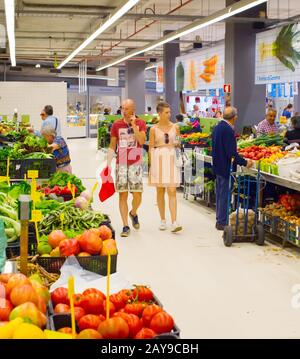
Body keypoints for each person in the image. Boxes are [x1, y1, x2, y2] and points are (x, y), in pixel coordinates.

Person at [107, 99, 147, 237]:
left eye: (127, 108)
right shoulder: (116, 125)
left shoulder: (141, 123)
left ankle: (133, 212)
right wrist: (108, 164)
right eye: (122, 108)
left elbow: (141, 141)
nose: (124, 110)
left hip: (135, 161)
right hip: (121, 162)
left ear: (133, 109)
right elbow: (112, 145)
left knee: (137, 194)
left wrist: (134, 125)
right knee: (122, 194)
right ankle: (125, 225)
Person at [212, 107, 253, 231]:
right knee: (224, 194)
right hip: (225, 167)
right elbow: (231, 153)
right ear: (234, 117)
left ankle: (219, 220)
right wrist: (245, 162)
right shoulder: (228, 130)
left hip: (218, 166)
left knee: (220, 194)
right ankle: (222, 222)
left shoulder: (217, 127)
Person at [149, 102, 182, 233]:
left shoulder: (176, 127)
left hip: (172, 157)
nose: (169, 114)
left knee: (172, 190)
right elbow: (151, 147)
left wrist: (178, 143)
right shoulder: (153, 129)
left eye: (169, 112)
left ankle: (174, 221)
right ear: (160, 113)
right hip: (158, 158)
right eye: (166, 112)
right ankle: (163, 220)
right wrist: (152, 165)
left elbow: (179, 141)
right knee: (160, 191)